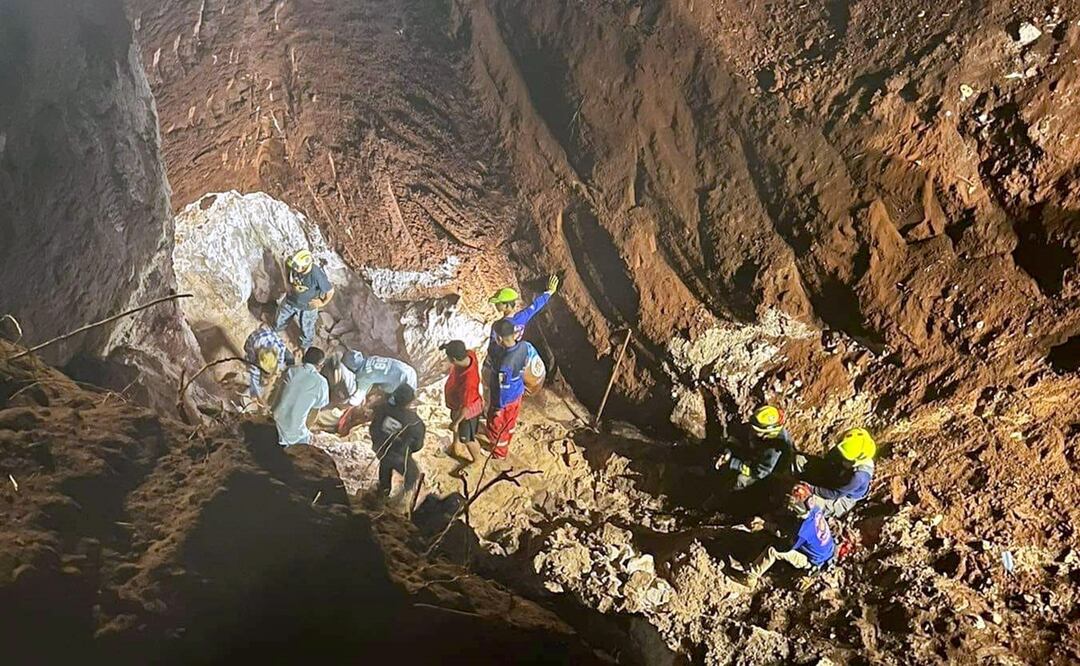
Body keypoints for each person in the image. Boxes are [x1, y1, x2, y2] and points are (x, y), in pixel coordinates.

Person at [744, 483, 836, 587]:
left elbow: (784, 546)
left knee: (773, 551)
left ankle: (750, 577)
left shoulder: (802, 532)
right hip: (827, 550)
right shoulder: (815, 509)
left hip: (813, 562)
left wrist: (765, 526)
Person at [801, 428, 876, 518]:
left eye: (844, 458)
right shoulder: (844, 448)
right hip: (835, 476)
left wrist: (811, 489)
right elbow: (827, 462)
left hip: (843, 497)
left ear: (853, 462)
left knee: (805, 502)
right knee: (799, 461)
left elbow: (835, 493)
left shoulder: (858, 476)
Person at [715, 405, 795, 490]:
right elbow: (740, 433)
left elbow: (760, 473)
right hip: (755, 456)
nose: (752, 431)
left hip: (765, 474)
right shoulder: (759, 430)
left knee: (741, 480)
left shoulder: (774, 450)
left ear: (767, 431)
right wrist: (729, 448)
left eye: (756, 430)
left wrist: (733, 463)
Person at [369, 384, 426, 502]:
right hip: (399, 455)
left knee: (385, 466)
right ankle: (401, 501)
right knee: (413, 475)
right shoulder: (415, 422)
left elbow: (373, 428)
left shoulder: (383, 408)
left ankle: (383, 491)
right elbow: (418, 446)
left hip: (380, 449)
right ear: (411, 401)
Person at [485, 274, 559, 358]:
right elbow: (535, 306)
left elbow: (492, 349)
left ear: (506, 305)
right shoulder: (521, 317)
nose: (495, 305)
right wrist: (550, 292)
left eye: (498, 303)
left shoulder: (498, 326)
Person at [274, 249, 334, 351]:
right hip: (291, 299)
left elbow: (330, 291)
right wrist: (287, 283)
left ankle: (305, 346)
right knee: (281, 316)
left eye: (297, 267)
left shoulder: (316, 275)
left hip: (308, 307)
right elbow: (287, 265)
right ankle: (276, 331)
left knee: (307, 328)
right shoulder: (294, 264)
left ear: (305, 266)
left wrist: (322, 302)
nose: (295, 268)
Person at [486, 318, 529, 459]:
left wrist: (499, 408)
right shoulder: (523, 346)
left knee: (496, 427)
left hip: (505, 400)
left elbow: (503, 389)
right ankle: (508, 439)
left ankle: (499, 453)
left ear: (499, 338)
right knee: (510, 422)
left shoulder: (505, 365)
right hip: (517, 393)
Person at [271, 347, 329, 447]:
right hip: (293, 436)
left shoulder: (290, 371)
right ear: (321, 366)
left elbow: (276, 397)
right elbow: (314, 414)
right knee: (306, 439)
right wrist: (305, 429)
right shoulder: (322, 383)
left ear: (303, 358)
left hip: (274, 424)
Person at [441, 340, 484, 463]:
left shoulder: (468, 382)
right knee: (458, 430)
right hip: (458, 405)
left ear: (454, 359)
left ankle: (477, 460)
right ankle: (456, 448)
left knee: (468, 438)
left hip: (467, 413)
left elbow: (466, 409)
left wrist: (455, 422)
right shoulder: (469, 355)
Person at [338, 349, 418, 408]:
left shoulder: (364, 375)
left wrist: (346, 405)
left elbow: (356, 399)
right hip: (410, 373)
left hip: (398, 383)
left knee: (394, 404)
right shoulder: (372, 358)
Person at [243, 325, 291, 399]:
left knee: (290, 359)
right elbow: (253, 373)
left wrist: (273, 375)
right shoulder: (253, 349)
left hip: (270, 336)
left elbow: (279, 364)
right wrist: (256, 395)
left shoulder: (279, 349)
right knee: (252, 370)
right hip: (255, 339)